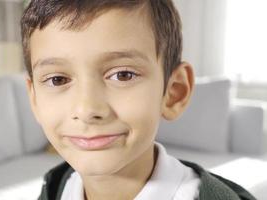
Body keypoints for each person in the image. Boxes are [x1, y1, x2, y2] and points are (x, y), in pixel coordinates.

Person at [20, 0, 256, 199]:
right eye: (57, 80)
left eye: (123, 75)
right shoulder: (56, 186)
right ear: (35, 100)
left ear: (174, 92)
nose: (87, 109)